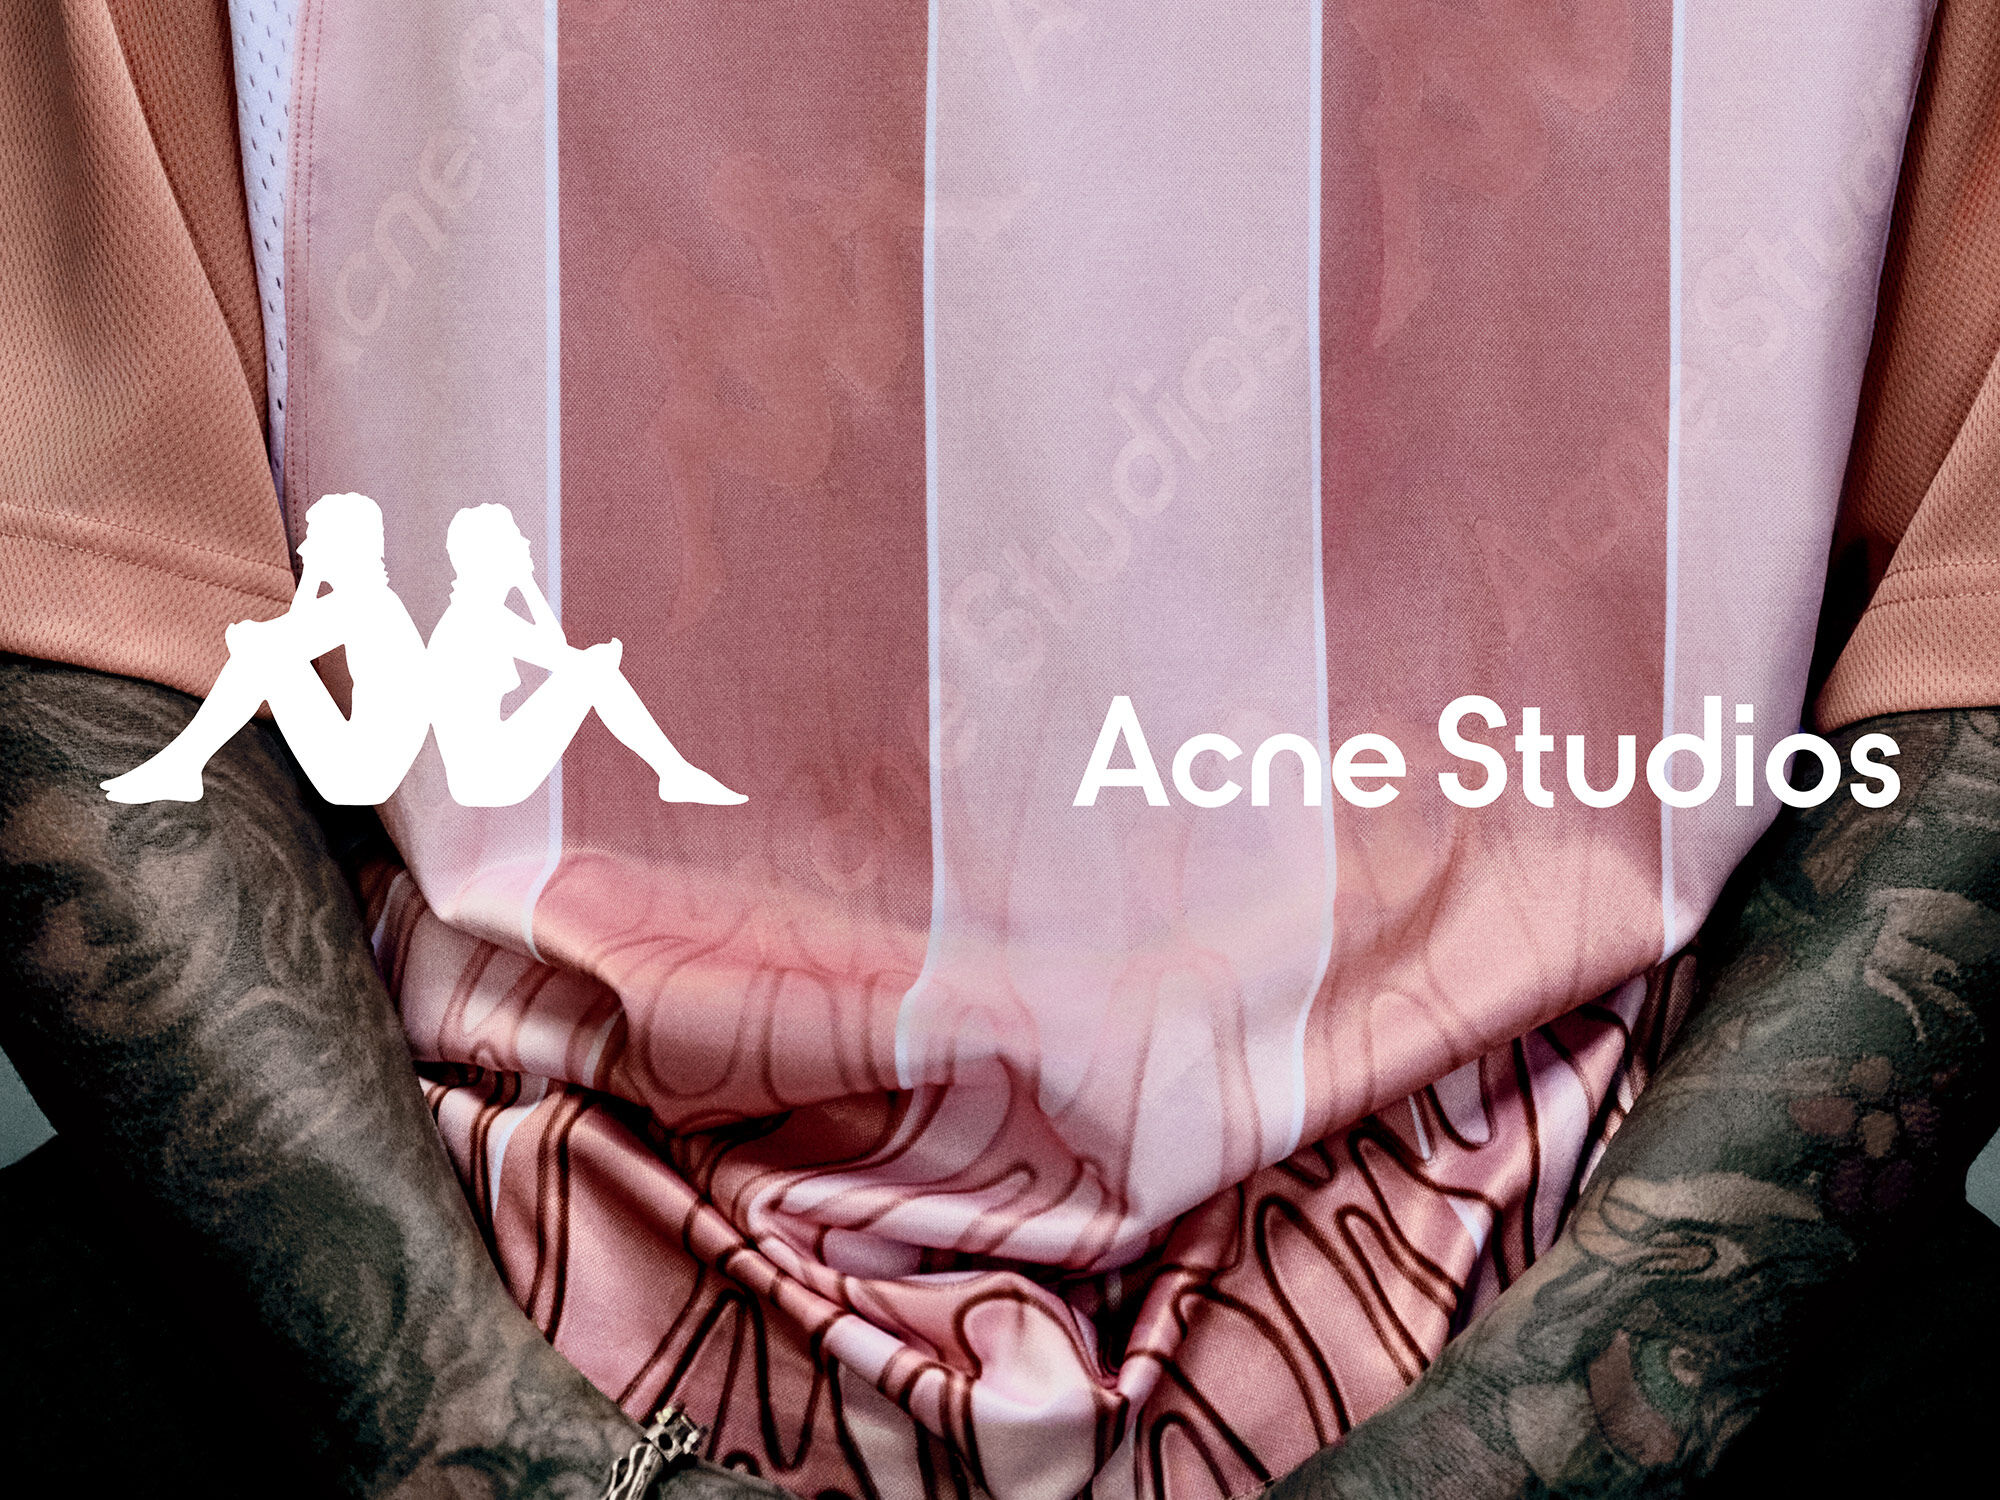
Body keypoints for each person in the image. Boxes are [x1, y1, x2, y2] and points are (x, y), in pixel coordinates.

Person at [1, 4, 1997, 1500]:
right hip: (458, 1244)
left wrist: (1553, 1423)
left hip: (1610, 1248)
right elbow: (77, 600)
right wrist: (489, 1437)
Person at [100, 491, 428, 807]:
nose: (304, 549)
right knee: (263, 653)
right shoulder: (374, 599)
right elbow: (290, 636)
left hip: (358, 778)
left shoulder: (362, 604)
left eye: (314, 539)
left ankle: (181, 767)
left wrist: (310, 578)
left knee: (260, 655)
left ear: (342, 546)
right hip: (365, 772)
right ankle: (182, 765)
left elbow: (275, 640)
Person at [427, 503, 745, 809]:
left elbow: (555, 646)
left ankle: (676, 773)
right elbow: (565, 659)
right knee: (596, 669)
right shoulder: (479, 619)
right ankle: (676, 774)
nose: (526, 543)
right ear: (493, 555)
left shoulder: (475, 612)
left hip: (479, 778)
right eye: (516, 537)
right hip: (490, 778)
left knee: (594, 667)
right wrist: (602, 658)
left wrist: (526, 582)